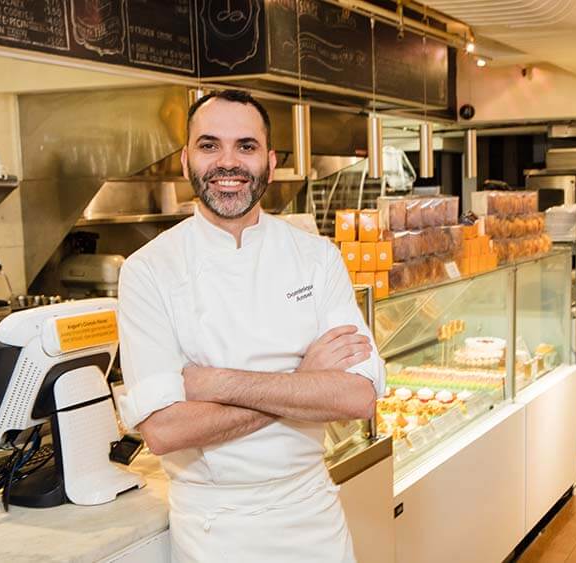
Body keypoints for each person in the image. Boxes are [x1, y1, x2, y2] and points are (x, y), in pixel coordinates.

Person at [116, 89, 385, 562]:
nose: (228, 161)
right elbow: (165, 430)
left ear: (270, 162)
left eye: (246, 146)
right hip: (215, 528)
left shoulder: (316, 257)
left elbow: (357, 397)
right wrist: (303, 383)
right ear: (186, 161)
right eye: (209, 145)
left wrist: (213, 384)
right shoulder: (148, 269)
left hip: (313, 518)